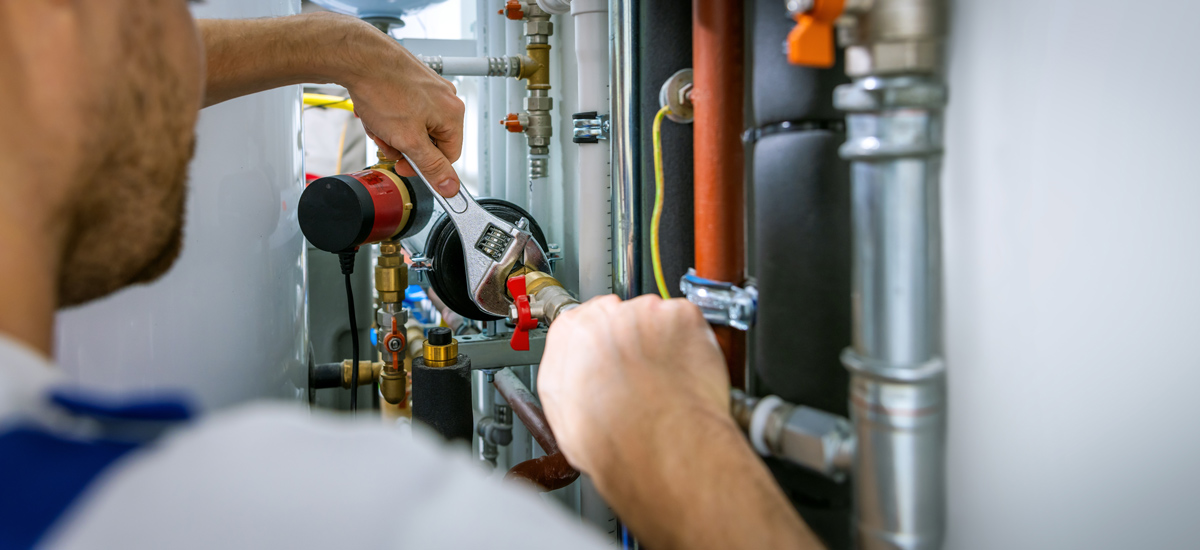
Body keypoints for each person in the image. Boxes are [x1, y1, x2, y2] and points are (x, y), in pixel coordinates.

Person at [0, 3, 823, 549]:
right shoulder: (280, 518)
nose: (177, 38)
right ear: (49, 29)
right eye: (152, 10)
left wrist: (340, 48)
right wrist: (666, 436)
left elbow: (121, 73)